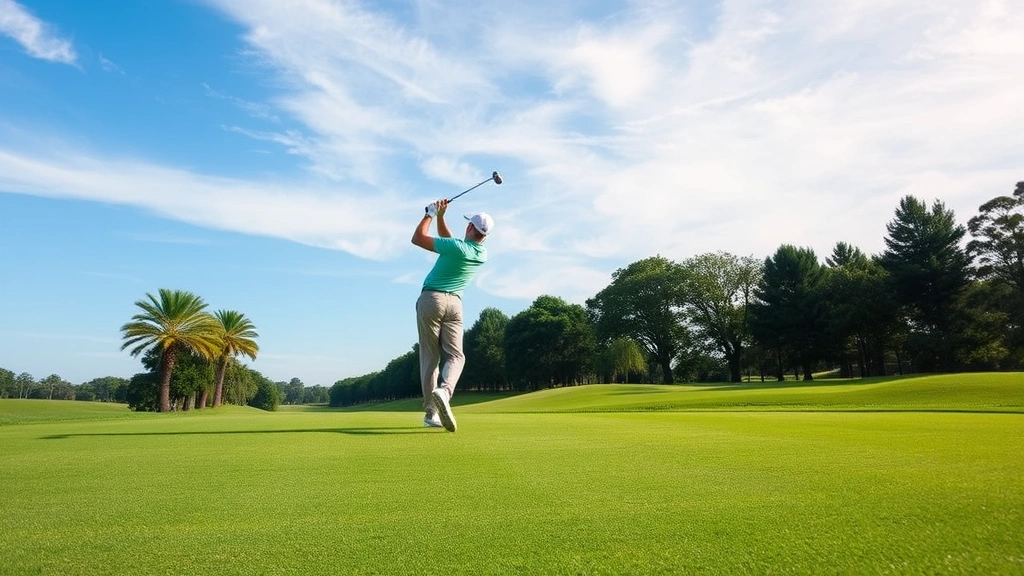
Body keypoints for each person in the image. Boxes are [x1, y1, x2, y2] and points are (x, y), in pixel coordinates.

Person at [411, 198, 493, 432]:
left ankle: (431, 413)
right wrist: (442, 217)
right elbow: (450, 241)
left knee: (430, 357)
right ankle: (445, 392)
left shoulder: (456, 247)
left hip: (432, 300)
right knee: (456, 356)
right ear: (485, 236)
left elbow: (418, 238)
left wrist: (429, 213)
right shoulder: (481, 253)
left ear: (469, 227)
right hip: (455, 304)